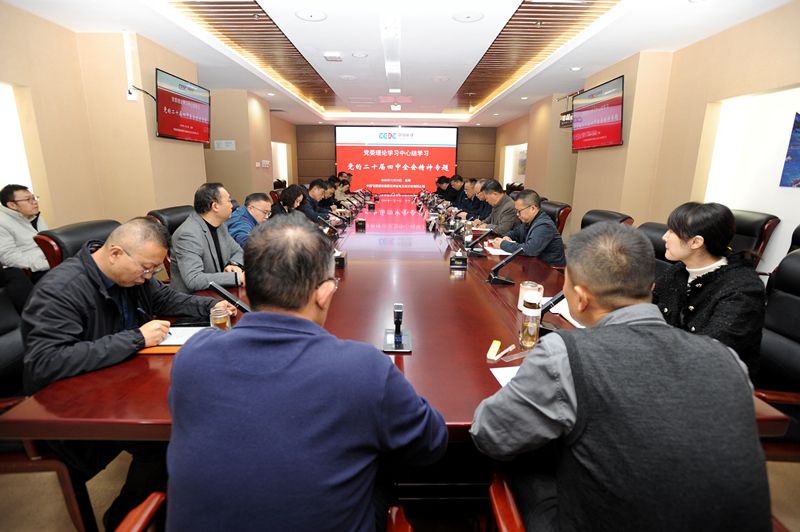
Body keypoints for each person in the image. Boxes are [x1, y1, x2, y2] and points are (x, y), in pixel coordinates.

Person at [470, 222, 770, 532]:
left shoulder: (563, 354)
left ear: (580, 298)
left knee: (519, 463)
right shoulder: (726, 357)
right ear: (650, 288)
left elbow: (490, 434)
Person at [167, 212, 448, 531]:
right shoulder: (363, 368)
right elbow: (430, 443)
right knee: (380, 472)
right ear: (324, 293)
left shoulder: (192, 356)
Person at [21, 217, 236, 530]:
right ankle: (122, 519)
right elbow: (46, 361)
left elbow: (167, 298)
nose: (148, 277)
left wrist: (212, 308)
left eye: (153, 271)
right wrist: (136, 338)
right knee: (166, 441)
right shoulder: (62, 289)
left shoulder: (132, 278)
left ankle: (171, 506)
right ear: (115, 254)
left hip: (120, 383)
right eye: (146, 269)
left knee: (197, 410)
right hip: (73, 406)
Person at [652, 201, 766, 377]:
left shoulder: (743, 288)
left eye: (672, 231)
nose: (664, 237)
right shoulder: (677, 272)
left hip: (716, 379)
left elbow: (711, 352)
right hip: (671, 366)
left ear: (696, 242)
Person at [170, 183, 244, 293]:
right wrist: (236, 278)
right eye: (228, 201)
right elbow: (194, 280)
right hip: (193, 298)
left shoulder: (220, 226)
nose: (231, 205)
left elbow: (238, 251)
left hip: (218, 292)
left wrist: (233, 265)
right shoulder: (187, 235)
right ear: (215, 206)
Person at [492, 189, 565, 267]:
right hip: (533, 265)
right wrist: (506, 236)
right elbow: (516, 232)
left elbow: (530, 249)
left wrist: (503, 244)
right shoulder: (528, 220)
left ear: (532, 209)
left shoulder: (544, 225)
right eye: (516, 211)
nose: (517, 214)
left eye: (519, 211)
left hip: (548, 270)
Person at [0, 184, 50, 280]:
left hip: (48, 263)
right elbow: (9, 258)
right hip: (28, 271)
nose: (34, 202)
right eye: (28, 199)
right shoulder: (2, 223)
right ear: (12, 205)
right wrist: (48, 264)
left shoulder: (37, 218)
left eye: (34, 198)